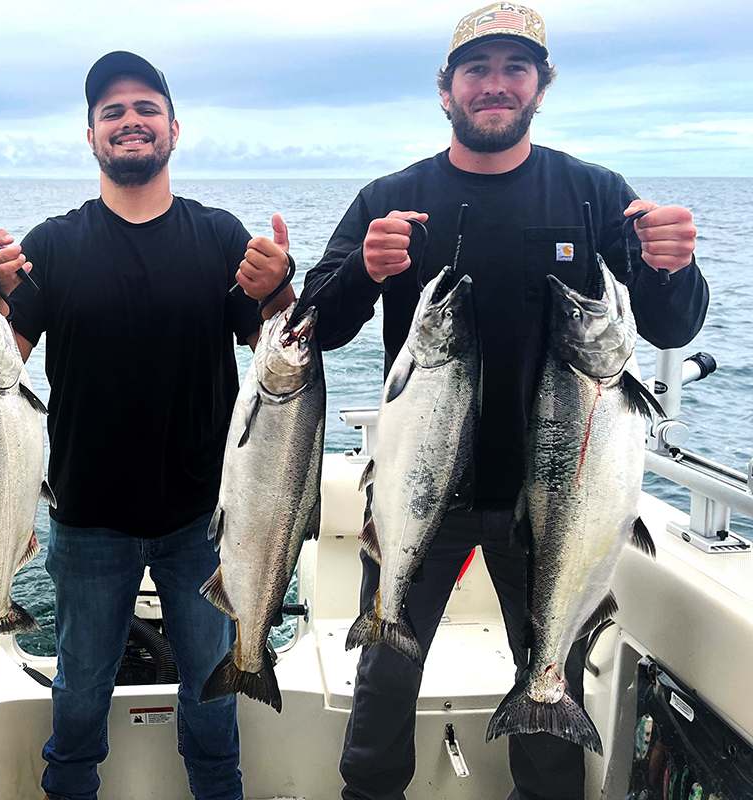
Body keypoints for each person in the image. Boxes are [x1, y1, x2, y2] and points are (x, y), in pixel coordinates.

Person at [299, 5, 709, 800]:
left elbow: (670, 322)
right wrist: (364, 272)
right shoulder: (393, 195)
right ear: (444, 90)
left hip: (557, 495)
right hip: (424, 491)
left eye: (514, 69)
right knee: (387, 672)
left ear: (541, 86)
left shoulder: (592, 193)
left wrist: (672, 264)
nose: (495, 86)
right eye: (476, 70)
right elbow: (319, 324)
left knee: (548, 664)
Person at [0, 51, 293, 800]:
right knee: (79, 688)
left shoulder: (220, 237)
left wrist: (280, 289)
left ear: (174, 128)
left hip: (204, 517)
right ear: (90, 137)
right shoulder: (51, 245)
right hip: (87, 519)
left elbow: (279, 358)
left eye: (145, 107)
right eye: (111, 112)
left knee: (213, 694)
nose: (129, 121)